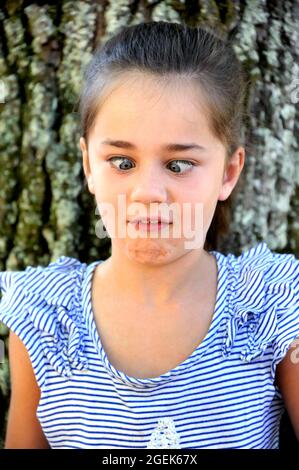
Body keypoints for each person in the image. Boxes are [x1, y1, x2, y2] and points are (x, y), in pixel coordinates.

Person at [0, 21, 298, 450]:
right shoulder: (46, 320)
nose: (147, 194)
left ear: (228, 172)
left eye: (178, 165)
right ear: (88, 165)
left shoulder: (274, 304)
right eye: (122, 162)